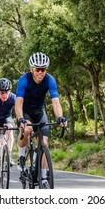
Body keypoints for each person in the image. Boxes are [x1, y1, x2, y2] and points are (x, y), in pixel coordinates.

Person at [15, 52, 67, 188]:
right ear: (31, 69)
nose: (40, 73)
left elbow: (55, 102)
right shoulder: (24, 79)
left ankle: (43, 177)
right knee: (27, 129)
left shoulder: (50, 80)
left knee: (44, 142)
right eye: (37, 69)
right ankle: (21, 157)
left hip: (39, 111)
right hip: (25, 110)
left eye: (43, 69)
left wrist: (60, 117)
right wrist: (20, 118)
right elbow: (19, 102)